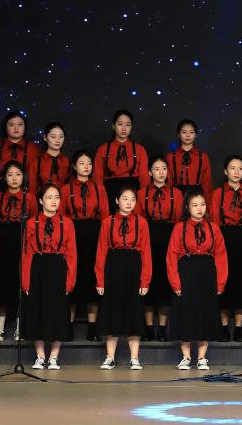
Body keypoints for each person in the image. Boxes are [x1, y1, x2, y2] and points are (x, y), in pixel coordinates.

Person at [167, 191, 228, 370]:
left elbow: (221, 257)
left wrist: (220, 282)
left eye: (202, 204)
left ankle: (202, 357)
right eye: (195, 205)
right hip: (186, 272)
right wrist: (175, 282)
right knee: (185, 312)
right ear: (187, 208)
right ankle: (186, 357)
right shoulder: (179, 228)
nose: (199, 208)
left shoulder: (213, 228)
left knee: (205, 313)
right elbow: (171, 256)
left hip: (207, 273)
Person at [95, 187, 152, 370]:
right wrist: (100, 279)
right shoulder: (108, 222)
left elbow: (146, 252)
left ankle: (134, 358)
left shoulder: (141, 222)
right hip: (113, 267)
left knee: (134, 311)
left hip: (133, 266)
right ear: (117, 200)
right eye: (125, 198)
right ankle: (110, 357)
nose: (129, 202)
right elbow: (101, 251)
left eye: (132, 199)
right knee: (112, 311)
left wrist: (145, 280)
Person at [22, 184, 77, 370]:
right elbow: (26, 253)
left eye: (56, 197)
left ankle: (54, 356)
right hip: (38, 267)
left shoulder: (67, 223)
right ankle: (40, 356)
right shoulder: (31, 223)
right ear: (40, 200)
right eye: (49, 197)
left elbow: (72, 254)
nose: (53, 201)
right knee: (37, 310)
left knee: (58, 311)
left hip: (58, 267)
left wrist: (70, 281)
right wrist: (25, 281)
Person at [60, 151, 109, 341]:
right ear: (74, 166)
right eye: (82, 163)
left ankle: (92, 328)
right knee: (72, 277)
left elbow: (105, 216)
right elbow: (62, 216)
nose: (86, 166)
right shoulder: (65, 189)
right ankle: (68, 327)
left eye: (89, 163)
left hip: (94, 235)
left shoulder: (99, 188)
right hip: (73, 234)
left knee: (92, 279)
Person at [210, 156, 242, 342]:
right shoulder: (217, 194)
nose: (236, 172)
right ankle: (223, 328)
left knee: (240, 284)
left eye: (240, 168)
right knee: (222, 282)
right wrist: (214, 246)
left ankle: (238, 329)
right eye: (232, 168)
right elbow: (213, 220)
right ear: (225, 171)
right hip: (222, 238)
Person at [0, 161, 37, 341]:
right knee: (2, 283)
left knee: (21, 282)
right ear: (4, 178)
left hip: (23, 240)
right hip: (2, 241)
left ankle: (19, 329)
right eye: (10, 175)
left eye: (18, 174)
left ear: (23, 177)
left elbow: (34, 223)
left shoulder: (30, 198)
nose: (14, 178)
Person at [136, 156, 184, 342]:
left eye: (164, 168)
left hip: (169, 236)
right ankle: (148, 328)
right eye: (156, 169)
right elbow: (138, 219)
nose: (161, 172)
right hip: (148, 236)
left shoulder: (176, 193)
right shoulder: (142, 193)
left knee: (165, 282)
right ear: (150, 172)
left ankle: (163, 328)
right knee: (148, 280)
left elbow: (180, 220)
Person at [95, 110, 149, 213]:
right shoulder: (103, 149)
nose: (124, 128)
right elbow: (98, 178)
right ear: (113, 126)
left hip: (133, 193)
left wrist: (142, 201)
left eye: (128, 125)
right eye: (120, 124)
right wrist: (100, 200)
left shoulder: (139, 149)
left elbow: (144, 178)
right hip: (109, 193)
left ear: (131, 127)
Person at [0, 111, 41, 197]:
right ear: (5, 127)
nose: (16, 128)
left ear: (25, 127)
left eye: (20, 124)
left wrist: (31, 201)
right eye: (11, 124)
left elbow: (36, 180)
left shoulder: (34, 149)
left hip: (25, 198)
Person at [166, 119, 213, 198]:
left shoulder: (203, 156)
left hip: (197, 197)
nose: (188, 135)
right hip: (176, 196)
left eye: (191, 132)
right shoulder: (170, 156)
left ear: (195, 135)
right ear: (178, 134)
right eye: (184, 132)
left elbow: (207, 181)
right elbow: (168, 180)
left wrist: (207, 201)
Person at [36, 122, 70, 188]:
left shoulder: (68, 162)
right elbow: (31, 190)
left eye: (61, 137)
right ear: (45, 137)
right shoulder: (35, 163)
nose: (57, 140)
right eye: (53, 137)